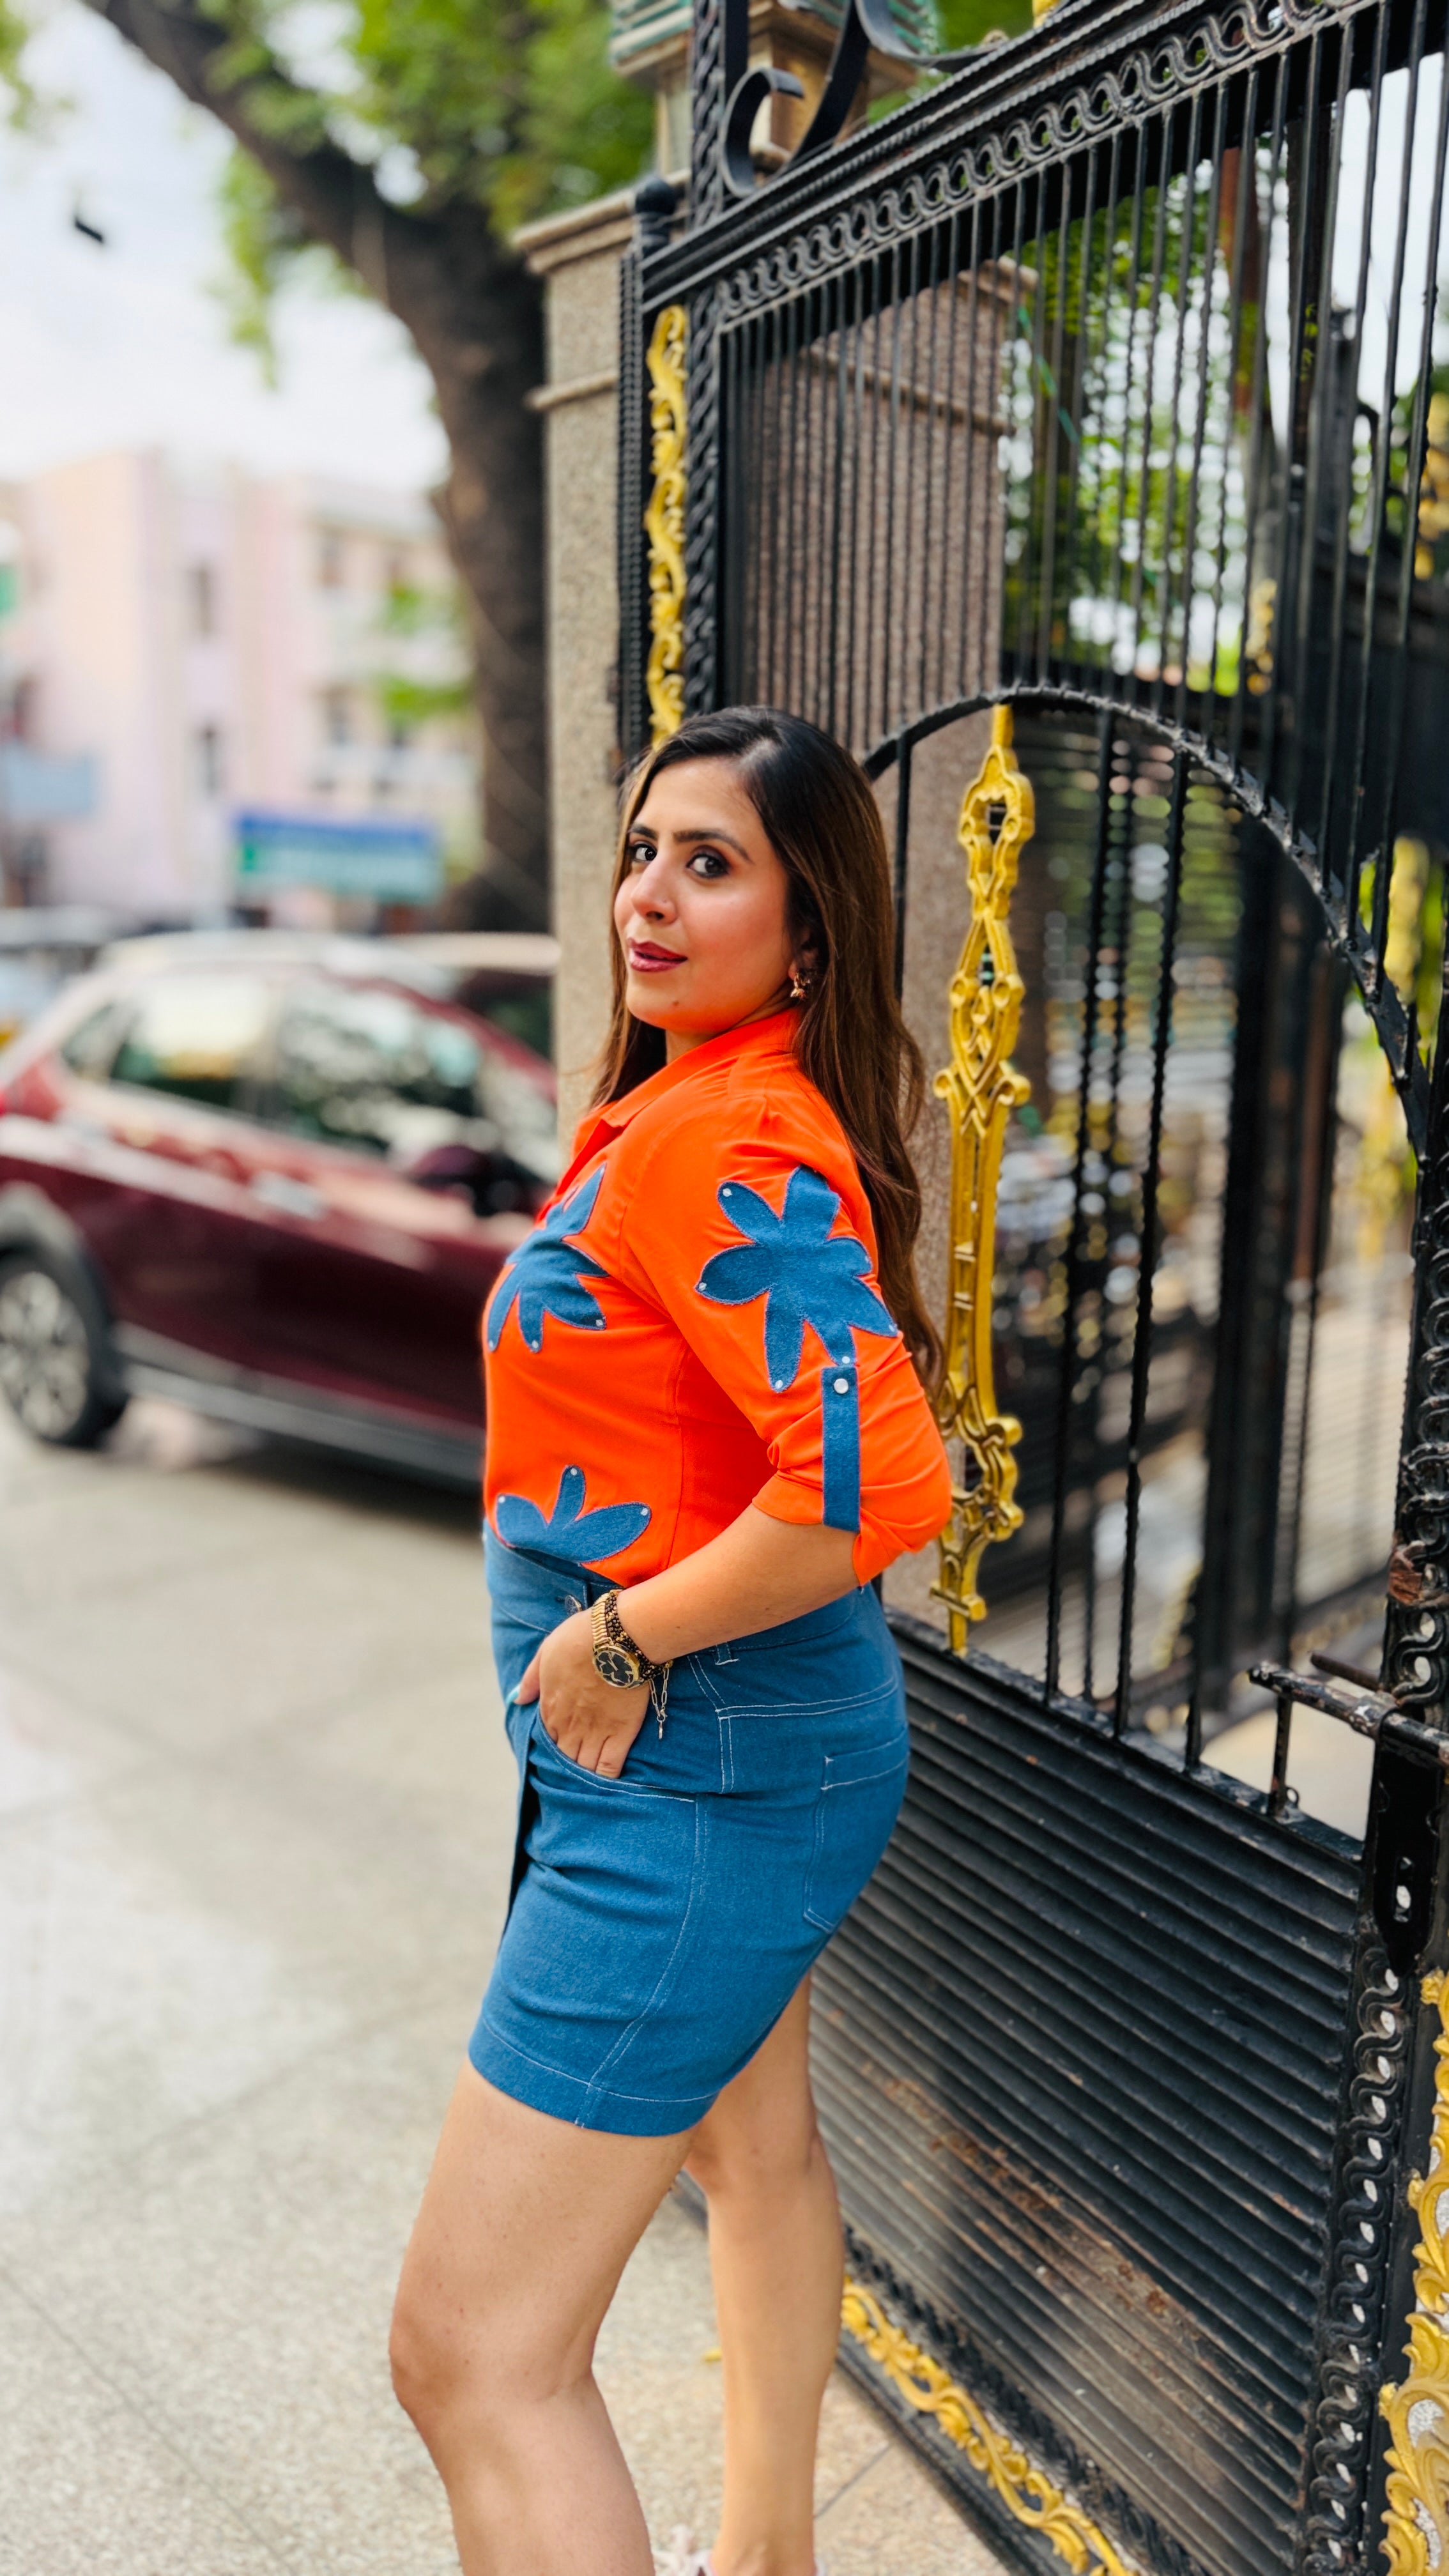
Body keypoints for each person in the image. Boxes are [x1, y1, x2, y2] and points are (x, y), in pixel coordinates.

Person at [390, 707, 953, 2576]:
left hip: (692, 1769)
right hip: (743, 1753)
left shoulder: (721, 1135)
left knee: (476, 2359)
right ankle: (772, 2555)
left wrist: (616, 1638)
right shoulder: (699, 1103)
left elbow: (877, 1484)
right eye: (643, 846)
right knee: (751, 2150)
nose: (647, 890)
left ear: (806, 932)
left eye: (708, 861)